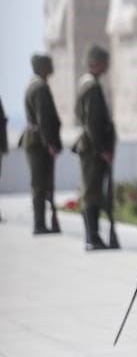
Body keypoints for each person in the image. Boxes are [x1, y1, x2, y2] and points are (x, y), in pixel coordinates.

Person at [74, 45, 118, 251]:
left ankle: (93, 236)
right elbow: (93, 122)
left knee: (93, 191)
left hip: (92, 147)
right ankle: (92, 237)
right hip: (93, 149)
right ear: (98, 64)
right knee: (92, 192)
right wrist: (103, 150)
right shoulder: (91, 87)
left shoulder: (88, 84)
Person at [19, 54, 62, 235]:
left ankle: (42, 223)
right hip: (39, 143)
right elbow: (44, 119)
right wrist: (50, 143)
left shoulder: (34, 84)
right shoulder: (40, 87)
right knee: (40, 184)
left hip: (36, 141)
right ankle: (39, 224)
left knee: (42, 183)